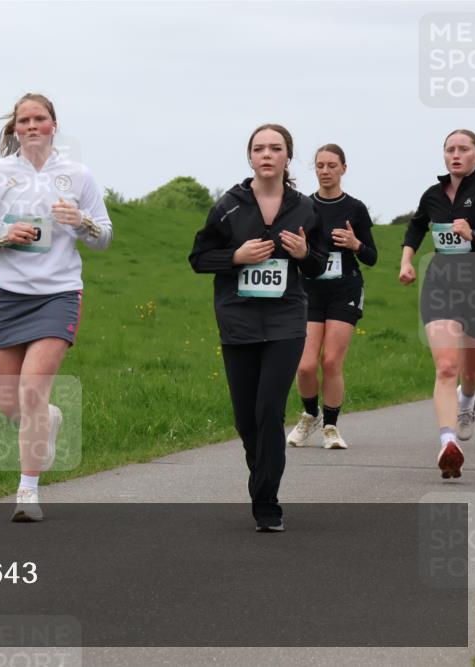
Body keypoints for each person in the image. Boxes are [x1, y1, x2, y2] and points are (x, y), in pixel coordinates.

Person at [0, 93, 112, 522]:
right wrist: (2, 235)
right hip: (6, 294)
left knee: (31, 392)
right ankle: (48, 417)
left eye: (39, 119)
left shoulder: (78, 175)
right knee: (12, 405)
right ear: (14, 129)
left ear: (53, 125)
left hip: (58, 293)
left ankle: (27, 492)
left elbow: (104, 237)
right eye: (23, 120)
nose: (31, 126)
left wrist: (80, 222)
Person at [189, 123, 325, 532]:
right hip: (238, 321)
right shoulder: (229, 205)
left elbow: (318, 266)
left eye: (276, 148)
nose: (267, 154)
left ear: (288, 157)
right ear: (250, 157)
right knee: (246, 420)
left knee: (269, 411)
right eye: (259, 148)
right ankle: (261, 472)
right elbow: (198, 258)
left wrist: (304, 254)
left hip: (286, 321)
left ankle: (267, 501)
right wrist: (236, 256)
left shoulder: (304, 207)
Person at [399, 129, 475, 479]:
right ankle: (448, 443)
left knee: (472, 368)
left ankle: (468, 401)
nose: (455, 154)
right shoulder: (433, 194)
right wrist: (407, 260)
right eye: (450, 149)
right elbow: (416, 227)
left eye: (464, 149)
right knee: (447, 365)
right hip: (441, 284)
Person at [286, 144, 377, 449]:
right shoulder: (302, 206)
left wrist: (355, 244)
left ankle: (331, 427)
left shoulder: (356, 208)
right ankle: (310, 415)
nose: (325, 171)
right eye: (320, 166)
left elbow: (372, 257)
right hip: (309, 290)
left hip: (345, 290)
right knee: (305, 365)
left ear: (343, 169)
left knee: (332, 361)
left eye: (332, 166)